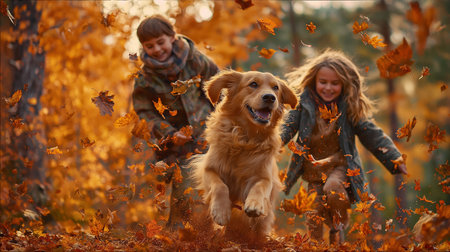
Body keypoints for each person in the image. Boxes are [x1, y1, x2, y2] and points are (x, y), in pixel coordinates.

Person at [281, 49, 407, 244]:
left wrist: (393, 158)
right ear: (314, 81)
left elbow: (371, 133)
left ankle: (338, 226)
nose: (328, 88)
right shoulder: (303, 104)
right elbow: (287, 128)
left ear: (344, 84)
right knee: (313, 211)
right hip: (314, 169)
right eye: (323, 82)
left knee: (332, 188)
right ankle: (314, 247)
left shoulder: (348, 107)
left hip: (340, 165)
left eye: (335, 83)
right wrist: (271, 143)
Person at [132, 14, 219, 230]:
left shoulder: (196, 60)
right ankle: (179, 232)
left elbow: (220, 89)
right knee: (183, 186)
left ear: (172, 37)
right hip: (174, 142)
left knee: (207, 183)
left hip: (207, 134)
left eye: (160, 42)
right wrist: (169, 134)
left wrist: (224, 123)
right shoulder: (145, 77)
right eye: (149, 46)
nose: (157, 49)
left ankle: (204, 232)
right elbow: (144, 111)